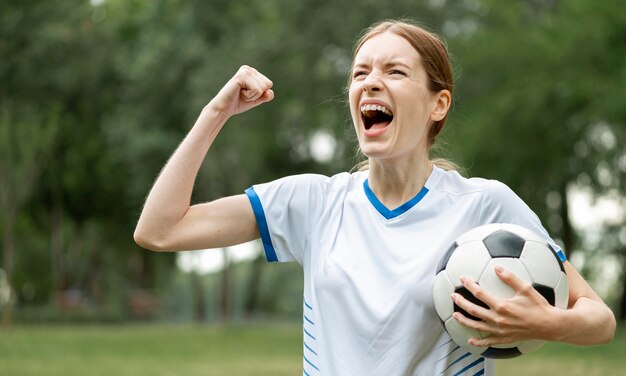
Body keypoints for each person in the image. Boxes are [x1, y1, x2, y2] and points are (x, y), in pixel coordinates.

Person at [134, 19, 616, 376]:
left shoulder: (485, 206)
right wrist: (216, 112)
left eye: (395, 71)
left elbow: (599, 319)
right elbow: (160, 229)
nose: (370, 81)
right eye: (360, 71)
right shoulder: (313, 203)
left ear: (437, 104)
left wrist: (548, 322)